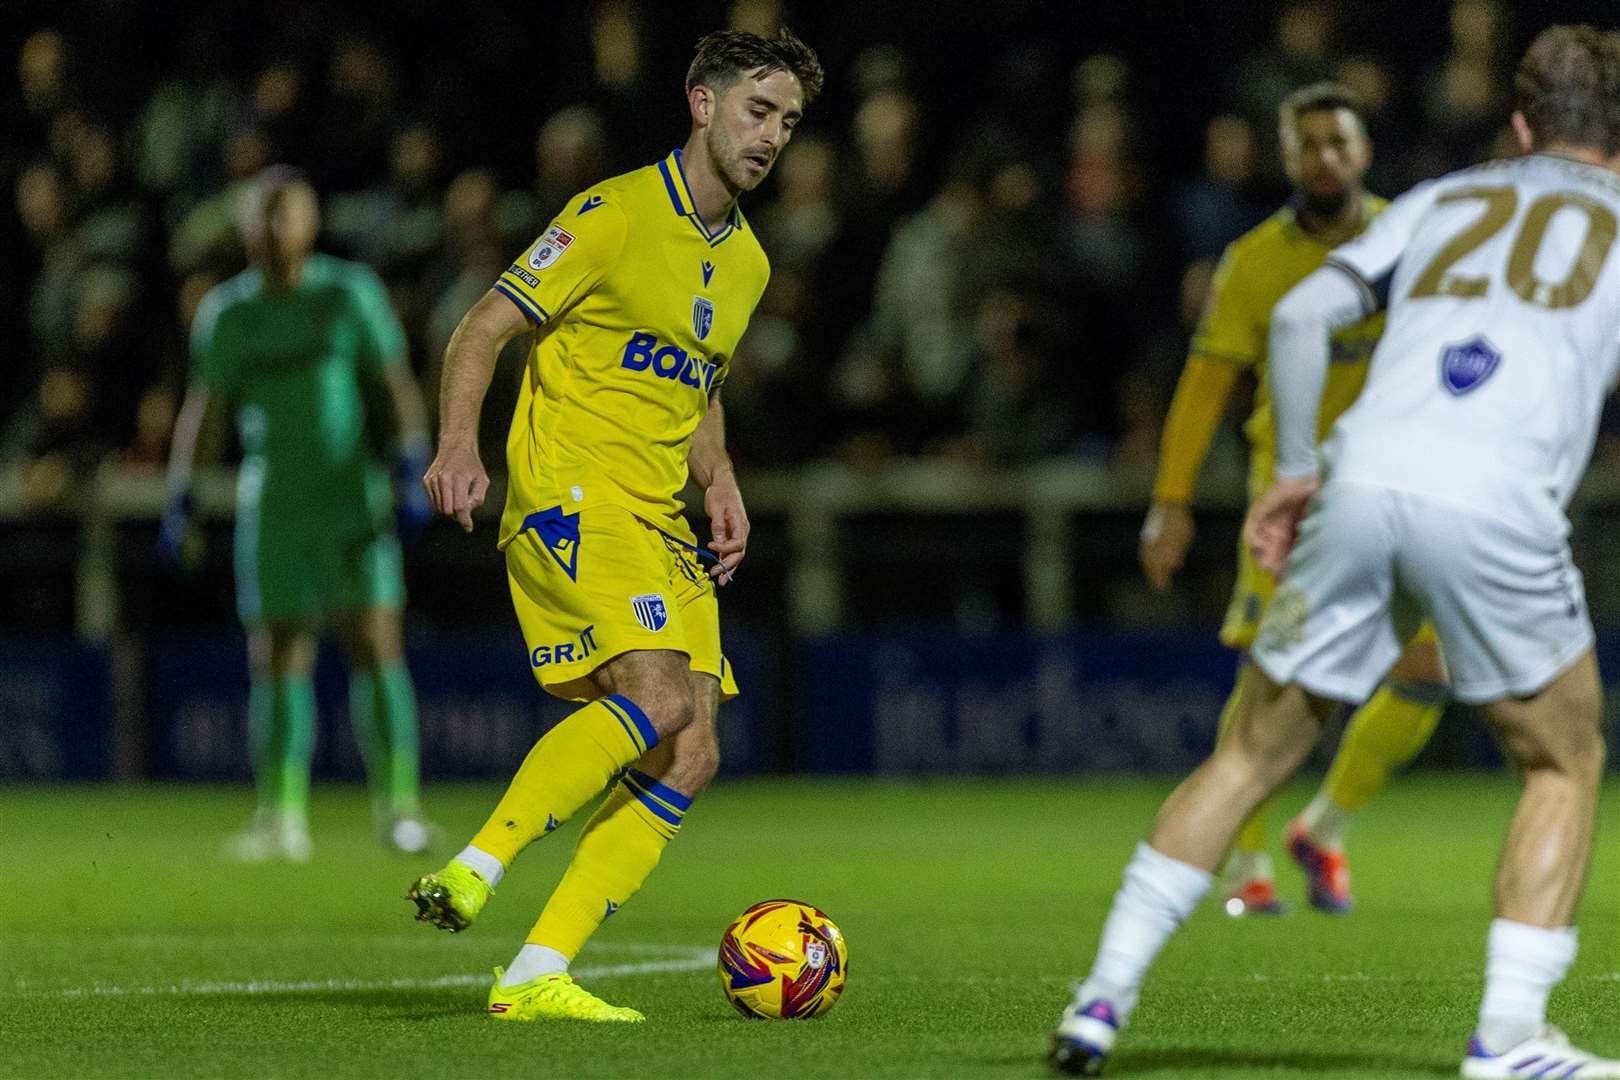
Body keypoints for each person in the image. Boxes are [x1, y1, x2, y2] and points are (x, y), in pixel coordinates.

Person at [1055, 25, 1620, 1077]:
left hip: (1360, 480)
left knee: (1251, 751)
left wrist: (1299, 465)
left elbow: (1310, 308)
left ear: (1520, 123)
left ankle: (1099, 999)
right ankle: (1508, 1037)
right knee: (1564, 758)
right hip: (1495, 498)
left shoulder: (1444, 200)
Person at [406, 28, 823, 1023]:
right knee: (661, 694)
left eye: (789, 122)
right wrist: (459, 444)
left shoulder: (750, 264)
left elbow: (698, 384)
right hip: (573, 494)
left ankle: (535, 973)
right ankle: (477, 864)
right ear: (702, 104)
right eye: (758, 112)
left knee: (690, 750)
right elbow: (485, 325)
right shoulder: (613, 213)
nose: (772, 137)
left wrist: (719, 481)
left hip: (659, 513)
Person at [1140, 82, 1448, 916]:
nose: (1325, 158)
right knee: (1272, 671)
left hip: (1397, 485)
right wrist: (1170, 501)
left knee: (1433, 666)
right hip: (1295, 496)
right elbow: (1205, 388)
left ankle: (1325, 825)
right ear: (1287, 157)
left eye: (1338, 143)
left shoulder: (1411, 237)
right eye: (1307, 144)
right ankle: (1246, 862)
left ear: (1364, 150)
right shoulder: (1254, 263)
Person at [162, 166, 435, 862]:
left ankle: (398, 809)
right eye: (261, 217)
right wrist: (182, 493)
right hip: (275, 501)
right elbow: (208, 408)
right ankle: (281, 816)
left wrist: (411, 459)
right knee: (278, 654)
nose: (272, 230)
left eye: (285, 216)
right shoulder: (228, 311)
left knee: (375, 642)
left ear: (310, 224)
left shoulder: (348, 294)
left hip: (350, 496)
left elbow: (393, 383)